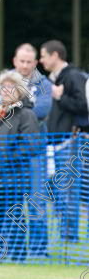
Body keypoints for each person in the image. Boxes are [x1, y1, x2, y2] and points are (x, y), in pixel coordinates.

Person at [0, 71, 42, 261]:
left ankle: (18, 257)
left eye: (11, 87)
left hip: (14, 179)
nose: (7, 91)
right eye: (4, 87)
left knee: (14, 219)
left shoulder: (26, 114)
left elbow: (32, 145)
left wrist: (8, 157)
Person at [39, 39, 88, 241]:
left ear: (55, 55)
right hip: (54, 144)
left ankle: (69, 238)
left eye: (43, 56)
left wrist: (61, 97)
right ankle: (64, 234)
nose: (41, 60)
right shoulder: (52, 78)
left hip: (70, 143)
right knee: (57, 193)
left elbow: (84, 107)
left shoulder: (73, 76)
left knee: (67, 193)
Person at [12, 43, 52, 125]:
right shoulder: (3, 81)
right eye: (22, 61)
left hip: (36, 135)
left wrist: (13, 113)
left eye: (29, 62)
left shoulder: (45, 84)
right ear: (15, 61)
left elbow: (42, 111)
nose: (25, 66)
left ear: (35, 63)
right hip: (7, 135)